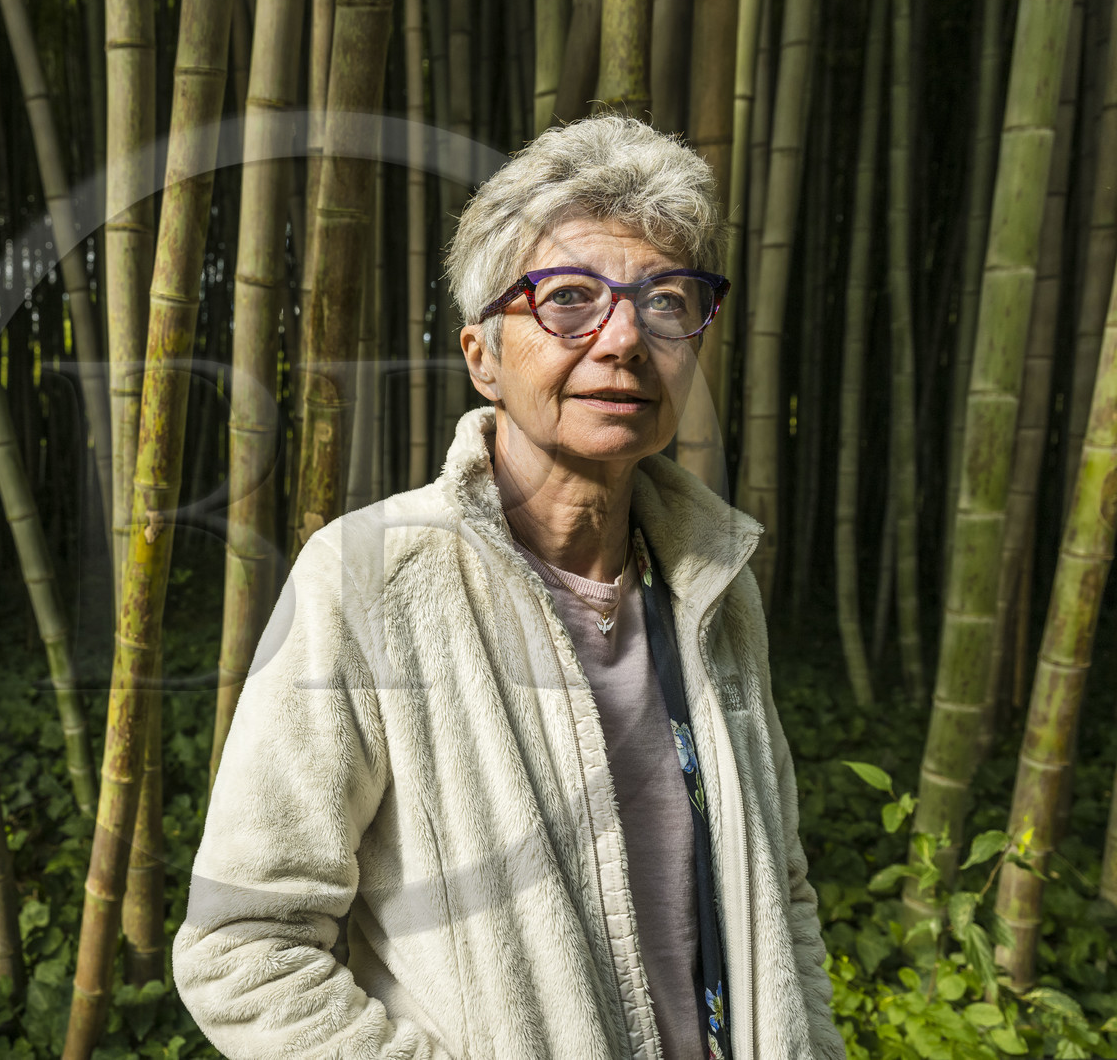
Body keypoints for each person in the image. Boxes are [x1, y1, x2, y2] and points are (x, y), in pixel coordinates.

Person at [173, 115, 845, 1060]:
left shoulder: (714, 587)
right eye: (569, 299)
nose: (624, 338)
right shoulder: (371, 581)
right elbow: (244, 945)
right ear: (481, 354)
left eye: (665, 301)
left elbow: (782, 894)